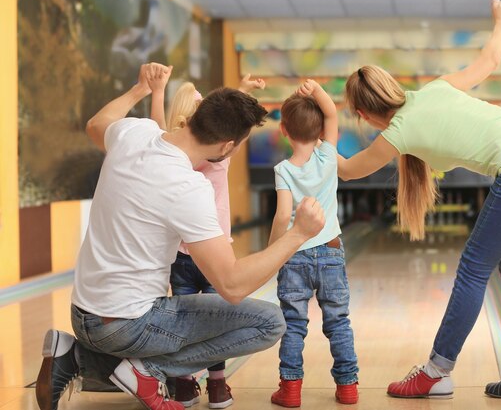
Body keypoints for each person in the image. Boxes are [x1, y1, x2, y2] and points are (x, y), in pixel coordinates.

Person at [35, 63, 325, 410]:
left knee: (149, 337)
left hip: (83, 313)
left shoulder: (134, 133)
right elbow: (231, 286)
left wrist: (141, 88)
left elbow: (96, 125)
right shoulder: (188, 188)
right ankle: (148, 371)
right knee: (268, 322)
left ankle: (74, 355)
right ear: (227, 147)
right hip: (127, 324)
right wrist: (297, 234)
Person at [338, 0, 501, 401]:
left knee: (473, 267)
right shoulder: (435, 89)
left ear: (361, 113)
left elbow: (347, 170)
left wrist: (320, 131)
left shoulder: (396, 133)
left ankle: (436, 371)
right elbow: (489, 60)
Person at [149, 74, 265, 408]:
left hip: (180, 257)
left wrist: (157, 93)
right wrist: (242, 89)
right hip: (216, 257)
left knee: (183, 322)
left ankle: (184, 385)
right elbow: (231, 122)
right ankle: (217, 386)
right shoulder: (219, 157)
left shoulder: (170, 156)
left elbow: (158, 128)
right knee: (217, 322)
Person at [269, 79, 359, 407]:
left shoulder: (282, 169)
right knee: (338, 321)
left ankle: (290, 389)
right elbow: (332, 115)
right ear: (320, 131)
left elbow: (282, 217)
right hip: (332, 251)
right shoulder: (328, 156)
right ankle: (348, 387)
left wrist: (272, 252)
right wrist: (316, 90)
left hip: (294, 255)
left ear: (283, 129)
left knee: (293, 325)